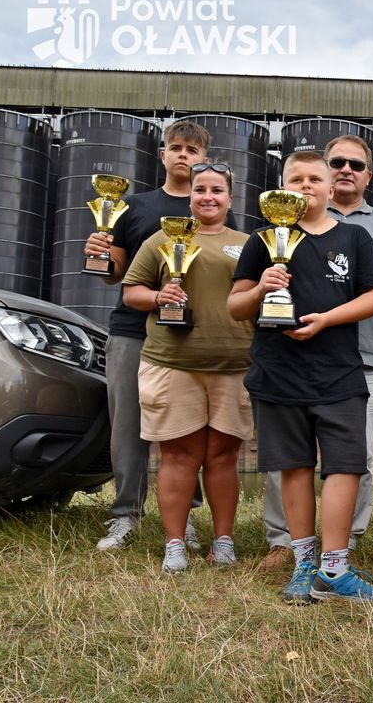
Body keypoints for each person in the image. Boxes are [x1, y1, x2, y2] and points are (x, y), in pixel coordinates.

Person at [229, 152, 373, 604]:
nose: (306, 185)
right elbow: (236, 306)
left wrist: (327, 320)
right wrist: (262, 287)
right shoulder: (263, 240)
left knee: (345, 465)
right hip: (278, 373)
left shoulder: (355, 238)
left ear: (329, 186)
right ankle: (303, 564)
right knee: (295, 467)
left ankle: (335, 568)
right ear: (281, 188)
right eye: (294, 178)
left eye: (314, 178)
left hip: (339, 374)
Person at [260, 134, 373, 569]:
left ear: (369, 174)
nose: (346, 170)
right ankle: (283, 539)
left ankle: (345, 540)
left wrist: (350, 294)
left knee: (354, 457)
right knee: (288, 457)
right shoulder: (278, 226)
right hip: (290, 357)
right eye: (337, 162)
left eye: (356, 165)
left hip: (360, 354)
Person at [85, 120, 233, 551]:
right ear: (163, 155)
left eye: (193, 150)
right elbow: (114, 276)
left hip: (189, 335)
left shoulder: (215, 208)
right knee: (128, 425)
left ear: (206, 161)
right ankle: (125, 514)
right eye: (176, 148)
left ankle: (182, 517)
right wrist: (98, 253)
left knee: (184, 429)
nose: (184, 155)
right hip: (133, 331)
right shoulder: (130, 206)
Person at [121, 162, 253, 572]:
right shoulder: (161, 239)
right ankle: (175, 543)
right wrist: (160, 296)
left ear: (230, 198)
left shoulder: (250, 244)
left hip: (235, 365)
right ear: (190, 195)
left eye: (216, 190)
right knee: (178, 455)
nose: (207, 197)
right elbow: (131, 293)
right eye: (200, 190)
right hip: (172, 363)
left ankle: (224, 541)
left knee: (223, 456)